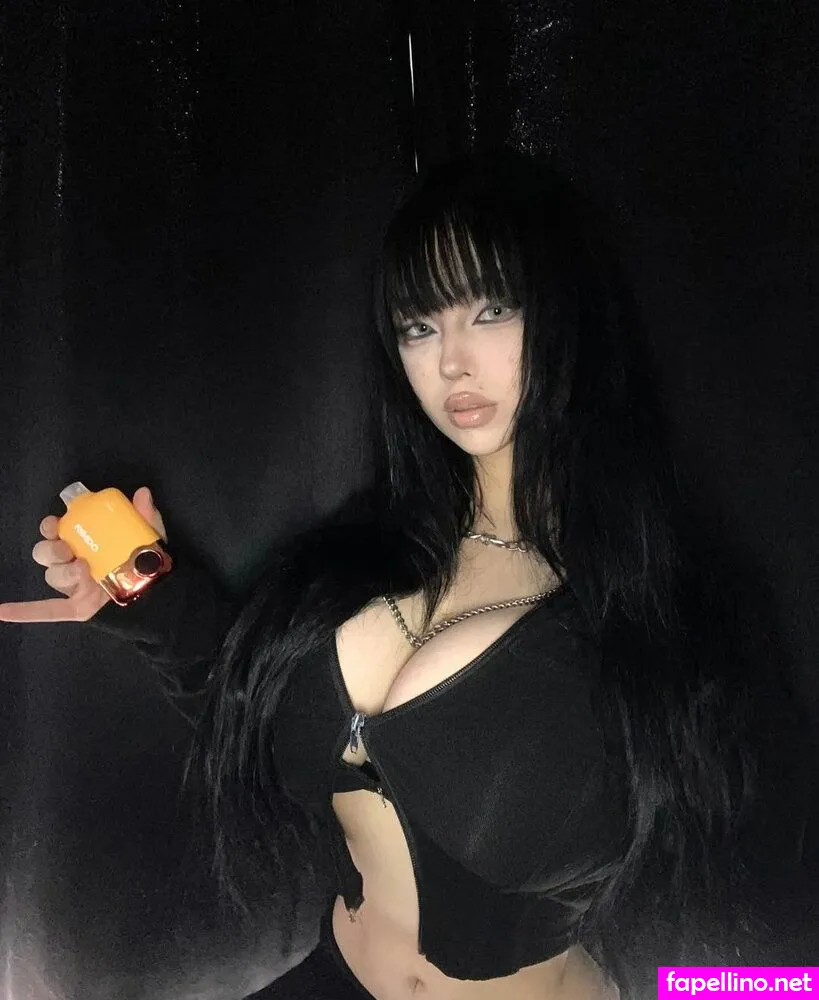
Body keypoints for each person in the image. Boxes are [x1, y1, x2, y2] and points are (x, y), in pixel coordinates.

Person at [0, 148, 777, 999]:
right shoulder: (364, 556)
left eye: (491, 309)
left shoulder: (660, 608)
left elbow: (756, 907)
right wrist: (146, 595)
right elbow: (249, 711)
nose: (450, 363)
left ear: (568, 313)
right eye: (418, 326)